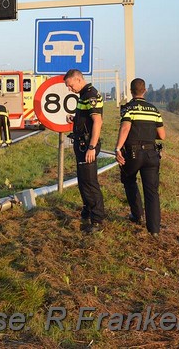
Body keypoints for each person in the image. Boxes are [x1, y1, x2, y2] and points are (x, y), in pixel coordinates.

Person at [114, 78, 166, 238]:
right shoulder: (154, 110)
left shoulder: (128, 108)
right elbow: (162, 135)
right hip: (151, 154)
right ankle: (154, 229)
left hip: (133, 153)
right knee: (151, 191)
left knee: (129, 180)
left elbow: (126, 127)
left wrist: (117, 148)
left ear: (131, 91)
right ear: (144, 91)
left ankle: (137, 215)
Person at [64, 68, 105, 233]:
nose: (69, 89)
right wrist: (76, 119)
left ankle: (97, 220)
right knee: (83, 182)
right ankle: (87, 211)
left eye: (70, 85)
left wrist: (91, 147)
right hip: (82, 144)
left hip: (87, 145)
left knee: (89, 183)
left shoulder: (90, 95)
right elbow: (88, 118)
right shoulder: (84, 95)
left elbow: (98, 122)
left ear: (78, 79)